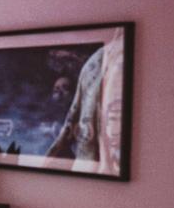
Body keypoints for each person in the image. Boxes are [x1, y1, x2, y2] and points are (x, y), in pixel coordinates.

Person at [43, 34, 124, 176]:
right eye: (56, 89)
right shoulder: (45, 124)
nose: (59, 93)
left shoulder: (80, 125)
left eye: (65, 89)